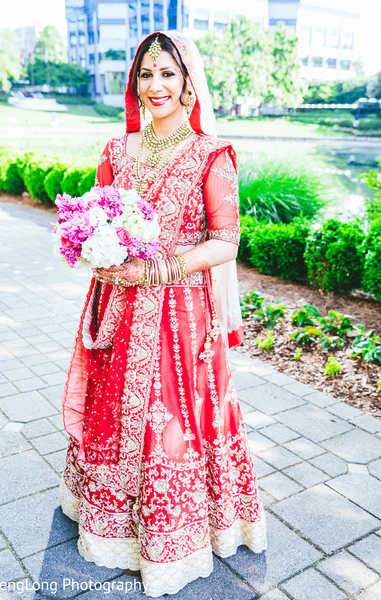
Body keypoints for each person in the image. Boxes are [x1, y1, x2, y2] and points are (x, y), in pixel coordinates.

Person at [58, 30, 267, 597]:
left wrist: (155, 270)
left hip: (180, 314)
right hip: (118, 306)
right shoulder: (116, 150)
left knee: (170, 419)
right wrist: (95, 253)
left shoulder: (210, 156)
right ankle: (112, 524)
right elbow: (93, 217)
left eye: (167, 74)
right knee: (113, 405)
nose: (156, 86)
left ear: (189, 83)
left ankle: (174, 534)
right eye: (146, 75)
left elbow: (226, 241)